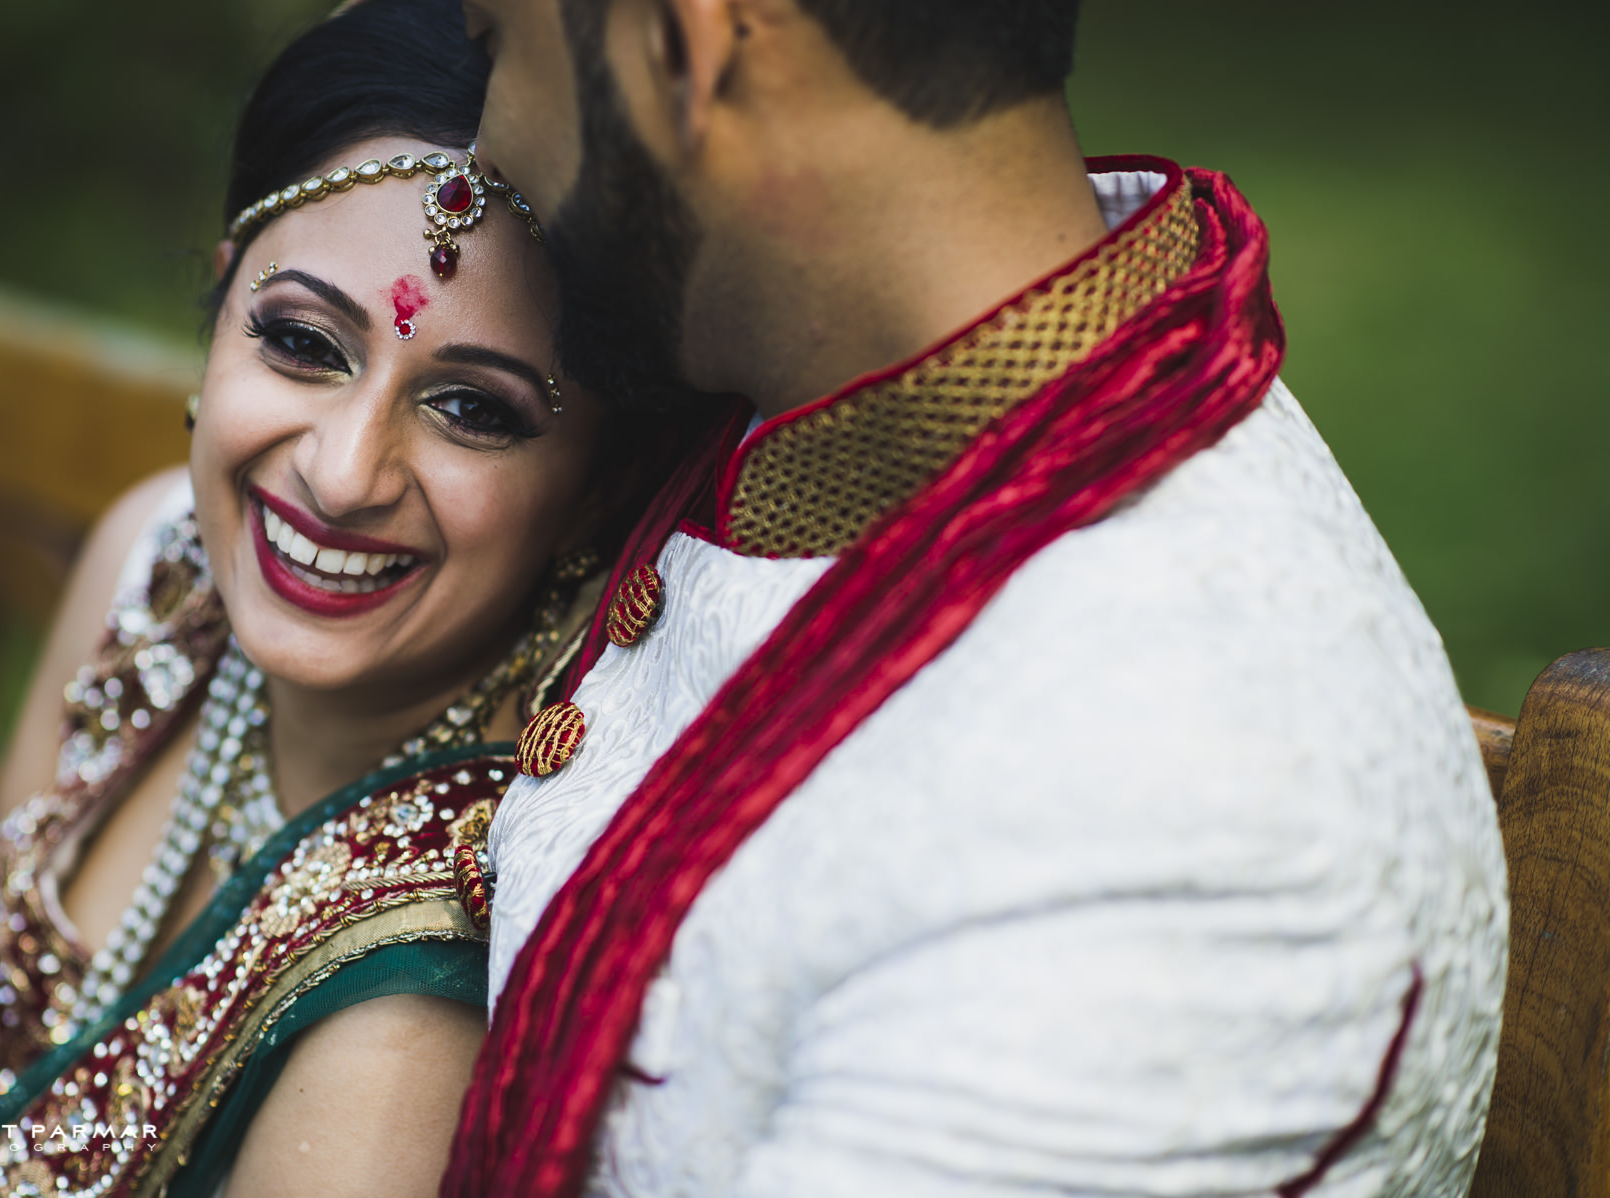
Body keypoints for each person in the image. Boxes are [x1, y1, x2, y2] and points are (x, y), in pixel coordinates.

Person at [446, 1, 1510, 1195]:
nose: (481, 144)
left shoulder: (1182, 827)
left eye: (495, 39)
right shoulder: (848, 376)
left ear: (691, 45)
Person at [0, 2, 665, 1195]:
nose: (341, 472)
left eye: (475, 409)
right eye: (301, 342)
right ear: (222, 306)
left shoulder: (409, 1011)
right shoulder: (153, 562)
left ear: (597, 488)